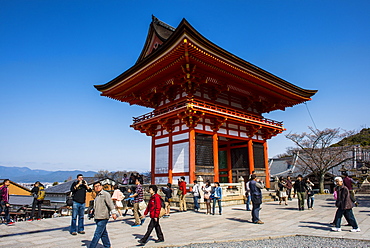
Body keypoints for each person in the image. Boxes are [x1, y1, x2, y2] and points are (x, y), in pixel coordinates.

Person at [89, 181, 118, 248]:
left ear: (101, 186)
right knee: (103, 233)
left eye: (98, 185)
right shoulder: (97, 195)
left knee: (97, 234)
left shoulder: (105, 194)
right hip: (97, 216)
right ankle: (107, 246)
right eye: (95, 186)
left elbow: (110, 204)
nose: (97, 187)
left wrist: (113, 213)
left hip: (103, 217)